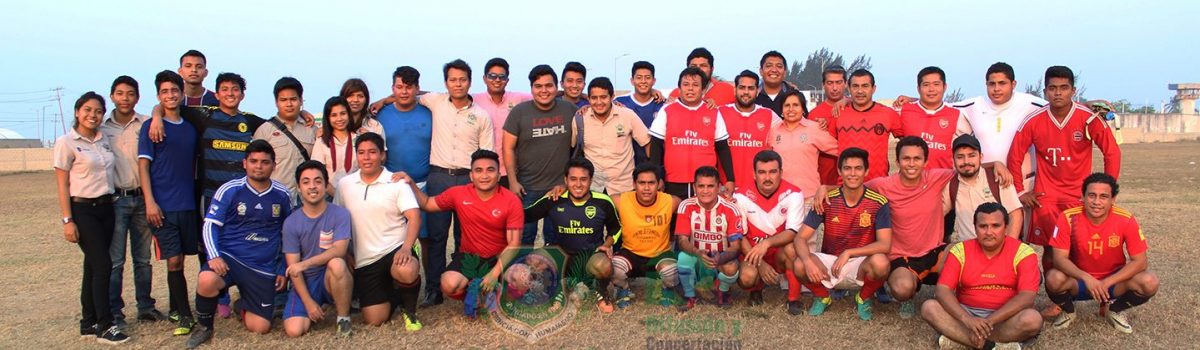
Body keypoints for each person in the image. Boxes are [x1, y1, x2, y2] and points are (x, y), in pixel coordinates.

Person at [186, 140, 292, 348]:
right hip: (230, 259)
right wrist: (214, 256)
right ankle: (205, 327)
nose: (258, 166)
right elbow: (210, 225)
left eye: (264, 162)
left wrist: (282, 268)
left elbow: (288, 234)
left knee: (261, 327)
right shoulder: (230, 190)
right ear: (245, 163)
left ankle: (241, 305)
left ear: (274, 165)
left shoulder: (283, 194)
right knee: (207, 279)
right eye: (253, 161)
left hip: (262, 266)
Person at [1007, 66, 1121, 251]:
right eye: (1052, 88)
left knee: (1081, 249)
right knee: (1051, 252)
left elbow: (1112, 152)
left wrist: (1107, 189)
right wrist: (1020, 191)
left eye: (1064, 87)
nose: (1058, 93)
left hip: (1079, 196)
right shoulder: (1034, 120)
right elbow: (1015, 155)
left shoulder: (1088, 118)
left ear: (1073, 91)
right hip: (1046, 198)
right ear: (1045, 91)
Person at [399, 150, 523, 320]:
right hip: (469, 257)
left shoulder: (511, 200)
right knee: (449, 284)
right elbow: (427, 204)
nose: (484, 175)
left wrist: (493, 274)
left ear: (498, 173)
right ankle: (477, 293)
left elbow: (514, 244)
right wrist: (411, 183)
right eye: (478, 170)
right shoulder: (458, 193)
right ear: (471, 175)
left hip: (499, 257)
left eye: (490, 170)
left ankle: (495, 291)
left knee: (522, 281)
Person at [55, 91, 131, 344]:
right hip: (83, 210)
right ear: (77, 111)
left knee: (92, 267)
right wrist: (68, 220)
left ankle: (87, 322)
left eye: (98, 111)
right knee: (103, 266)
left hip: (106, 209)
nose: (93, 115)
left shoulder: (103, 139)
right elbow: (62, 185)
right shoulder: (66, 142)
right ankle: (105, 325)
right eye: (87, 110)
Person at [417, 59, 495, 306]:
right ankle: (433, 289)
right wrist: (382, 101)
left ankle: (468, 286)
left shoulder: (481, 116)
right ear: (446, 83)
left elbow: (487, 154)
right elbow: (409, 94)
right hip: (439, 176)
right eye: (453, 79)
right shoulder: (435, 101)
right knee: (437, 236)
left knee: (466, 237)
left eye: (462, 79)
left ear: (469, 82)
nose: (458, 84)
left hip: (467, 180)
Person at [1045, 173, 1157, 333]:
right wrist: (1087, 278)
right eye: (1092, 195)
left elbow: (1140, 262)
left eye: (1104, 196)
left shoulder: (1126, 219)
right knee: (1053, 278)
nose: (1097, 202)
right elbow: (1059, 259)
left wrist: (1106, 282)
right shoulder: (1068, 217)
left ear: (1113, 199)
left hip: (1113, 281)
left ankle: (1115, 310)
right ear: (1082, 197)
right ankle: (1069, 312)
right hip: (1080, 280)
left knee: (1150, 281)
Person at [921, 202, 1043, 349]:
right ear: (975, 228)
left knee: (1032, 319)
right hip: (967, 312)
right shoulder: (960, 250)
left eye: (995, 226)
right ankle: (993, 346)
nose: (989, 232)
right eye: (983, 226)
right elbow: (942, 290)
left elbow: (1027, 296)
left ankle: (961, 338)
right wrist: (968, 320)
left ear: (1006, 227)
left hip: (1005, 315)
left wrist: (990, 321)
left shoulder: (1023, 252)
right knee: (929, 308)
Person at [335, 133, 424, 330]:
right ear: (356, 156)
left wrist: (406, 248)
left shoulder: (396, 182)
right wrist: (346, 251)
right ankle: (396, 295)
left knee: (406, 269)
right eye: (361, 153)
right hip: (365, 259)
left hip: (395, 249)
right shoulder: (344, 184)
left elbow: (415, 217)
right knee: (374, 319)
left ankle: (410, 312)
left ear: (382, 155)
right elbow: (338, 220)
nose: (367, 158)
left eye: (372, 152)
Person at [862, 137, 957, 319]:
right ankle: (908, 297)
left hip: (934, 251)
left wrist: (997, 164)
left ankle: (949, 297)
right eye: (906, 159)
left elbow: (966, 168)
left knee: (962, 254)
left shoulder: (936, 177)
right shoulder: (883, 185)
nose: (911, 164)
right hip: (902, 256)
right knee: (902, 289)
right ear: (897, 161)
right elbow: (853, 188)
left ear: (925, 161)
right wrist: (825, 189)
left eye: (917, 158)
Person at [794, 148, 892, 321]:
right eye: (847, 168)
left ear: (866, 171)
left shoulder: (878, 202)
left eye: (858, 168)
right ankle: (823, 296)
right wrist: (808, 262)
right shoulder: (826, 199)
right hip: (830, 263)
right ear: (839, 171)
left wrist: (849, 253)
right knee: (799, 264)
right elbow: (800, 238)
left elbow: (885, 244)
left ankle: (863, 297)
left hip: (860, 263)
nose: (852, 173)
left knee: (881, 262)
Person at [136, 71, 199, 336]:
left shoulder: (191, 124)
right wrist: (149, 201)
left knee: (184, 259)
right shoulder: (150, 126)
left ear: (182, 92)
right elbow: (143, 165)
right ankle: (185, 317)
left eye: (174, 90)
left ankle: (176, 306)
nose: (170, 95)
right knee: (173, 261)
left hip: (189, 204)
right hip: (162, 206)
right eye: (164, 92)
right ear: (158, 95)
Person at [100, 75, 163, 328]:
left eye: (130, 94)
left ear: (137, 97)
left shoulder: (147, 125)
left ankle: (145, 307)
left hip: (143, 199)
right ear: (112, 96)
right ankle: (115, 311)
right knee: (115, 261)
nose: (125, 98)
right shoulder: (102, 129)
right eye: (119, 93)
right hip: (116, 200)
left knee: (143, 259)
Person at [523, 158, 621, 312]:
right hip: (562, 257)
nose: (578, 184)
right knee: (534, 260)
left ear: (591, 180)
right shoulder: (554, 199)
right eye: (573, 179)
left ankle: (601, 290)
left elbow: (616, 228)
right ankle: (559, 288)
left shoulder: (603, 202)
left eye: (584, 179)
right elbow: (526, 215)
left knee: (603, 265)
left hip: (590, 258)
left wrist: (607, 245)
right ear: (565, 180)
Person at [504, 64, 577, 245]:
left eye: (548, 85)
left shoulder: (570, 110)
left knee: (555, 240)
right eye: (538, 86)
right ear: (531, 89)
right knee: (524, 239)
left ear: (556, 87)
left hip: (558, 189)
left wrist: (567, 182)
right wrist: (513, 181)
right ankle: (523, 273)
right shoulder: (519, 112)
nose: (544, 90)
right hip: (527, 188)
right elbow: (508, 148)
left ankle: (553, 274)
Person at [281, 161, 353, 337]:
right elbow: (294, 269)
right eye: (306, 182)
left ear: (326, 185)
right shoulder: (291, 222)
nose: (312, 187)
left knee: (337, 263)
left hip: (330, 276)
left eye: (318, 181)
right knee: (294, 331)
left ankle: (343, 320)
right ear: (298, 187)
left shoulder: (340, 214)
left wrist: (306, 264)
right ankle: (314, 304)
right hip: (306, 281)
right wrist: (308, 303)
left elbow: (340, 250)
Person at [649, 67, 736, 199]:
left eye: (695, 85)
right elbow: (656, 146)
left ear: (703, 89)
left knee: (705, 219)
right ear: (679, 88)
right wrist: (657, 177)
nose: (690, 89)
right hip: (673, 181)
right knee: (676, 218)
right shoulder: (667, 110)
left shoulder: (713, 111)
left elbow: (723, 147)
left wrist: (730, 178)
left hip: (706, 183)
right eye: (686, 84)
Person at [732, 151, 804, 309]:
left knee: (792, 248)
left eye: (773, 172)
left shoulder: (794, 194)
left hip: (779, 252)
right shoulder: (740, 196)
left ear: (781, 173)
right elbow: (739, 236)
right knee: (746, 278)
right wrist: (760, 264)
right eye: (762, 172)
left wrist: (766, 243)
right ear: (754, 173)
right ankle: (755, 290)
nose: (767, 177)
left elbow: (793, 232)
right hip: (752, 252)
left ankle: (793, 299)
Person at [610, 163, 682, 310]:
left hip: (660, 254)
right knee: (611, 268)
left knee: (672, 272)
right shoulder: (621, 200)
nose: (647, 188)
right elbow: (594, 200)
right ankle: (624, 289)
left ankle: (666, 289)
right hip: (630, 253)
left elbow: (692, 206)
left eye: (651, 183)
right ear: (634, 184)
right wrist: (562, 190)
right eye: (642, 183)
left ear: (659, 184)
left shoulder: (670, 201)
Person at [674, 166, 744, 311]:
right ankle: (690, 295)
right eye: (701, 186)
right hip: (697, 255)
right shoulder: (685, 206)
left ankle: (722, 292)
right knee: (683, 258)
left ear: (719, 187)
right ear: (694, 187)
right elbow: (682, 240)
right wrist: (697, 252)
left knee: (731, 266)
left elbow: (736, 246)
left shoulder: (731, 209)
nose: (705, 191)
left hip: (720, 257)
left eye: (710, 186)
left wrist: (722, 258)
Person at [944, 134, 1024, 243]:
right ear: (953, 159)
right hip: (969, 252)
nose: (966, 161)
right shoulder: (951, 184)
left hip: (998, 248)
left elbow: (1015, 214)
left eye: (972, 155)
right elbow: (938, 213)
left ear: (981, 157)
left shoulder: (997, 178)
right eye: (960, 157)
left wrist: (1008, 250)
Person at [577, 77, 650, 194]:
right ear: (588, 99)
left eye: (603, 97)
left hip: (624, 188)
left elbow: (647, 143)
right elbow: (571, 149)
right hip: (593, 188)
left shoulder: (627, 115)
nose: (599, 102)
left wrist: (653, 175)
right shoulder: (580, 119)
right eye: (594, 98)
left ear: (612, 97)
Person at [768, 90, 838, 208]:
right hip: (780, 198)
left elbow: (841, 151)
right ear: (781, 110)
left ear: (803, 109)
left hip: (809, 197)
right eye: (787, 105)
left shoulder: (815, 128)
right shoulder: (774, 131)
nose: (791, 109)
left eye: (795, 105)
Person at [895, 66, 973, 170]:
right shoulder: (903, 111)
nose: (931, 89)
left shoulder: (956, 114)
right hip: (911, 180)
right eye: (926, 85)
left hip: (944, 181)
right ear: (918, 88)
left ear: (944, 87)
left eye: (936, 84)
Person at [831, 69, 902, 182]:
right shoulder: (838, 113)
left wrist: (902, 171)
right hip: (846, 186)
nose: (860, 91)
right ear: (849, 89)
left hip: (878, 186)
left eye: (865, 86)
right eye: (855, 86)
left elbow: (908, 142)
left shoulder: (888, 114)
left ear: (873, 89)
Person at [254, 77, 317, 197]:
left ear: (301, 100)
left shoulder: (313, 129)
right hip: (274, 199)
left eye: (293, 99)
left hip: (306, 201)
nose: (289, 104)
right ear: (276, 102)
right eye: (283, 100)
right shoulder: (264, 131)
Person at [473, 57, 532, 183]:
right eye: (492, 76)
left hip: (511, 171)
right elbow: (449, 97)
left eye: (502, 77)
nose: (497, 80)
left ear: (507, 80)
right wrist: (418, 94)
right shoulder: (474, 100)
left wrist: (582, 96)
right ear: (484, 78)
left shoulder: (518, 98)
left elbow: (542, 95)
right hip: (484, 172)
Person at [719, 70, 775, 191]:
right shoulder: (720, 113)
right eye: (742, 87)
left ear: (757, 91)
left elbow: (790, 127)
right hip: (726, 189)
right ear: (735, 90)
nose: (745, 92)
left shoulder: (769, 115)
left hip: (757, 190)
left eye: (750, 88)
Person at [614, 61, 665, 165]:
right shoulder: (619, 102)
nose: (643, 81)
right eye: (639, 77)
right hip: (626, 165)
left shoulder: (662, 105)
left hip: (654, 162)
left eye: (647, 77)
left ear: (654, 81)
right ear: (632, 81)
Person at [808, 65, 848, 186]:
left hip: (852, 177)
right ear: (823, 85)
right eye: (830, 83)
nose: (834, 88)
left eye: (839, 82)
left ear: (846, 84)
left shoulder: (854, 108)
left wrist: (849, 100)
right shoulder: (814, 115)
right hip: (824, 181)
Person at [310, 97, 357, 187]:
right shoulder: (322, 141)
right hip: (329, 194)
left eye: (343, 114)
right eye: (334, 115)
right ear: (328, 118)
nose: (339, 119)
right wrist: (336, 195)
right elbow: (317, 173)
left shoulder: (358, 139)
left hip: (355, 193)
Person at [668, 47, 735, 105]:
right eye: (693, 66)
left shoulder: (728, 90)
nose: (698, 69)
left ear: (712, 69)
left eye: (703, 66)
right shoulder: (676, 94)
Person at [754, 51, 796, 116]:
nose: (774, 70)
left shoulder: (795, 96)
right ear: (761, 71)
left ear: (785, 72)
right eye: (769, 66)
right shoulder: (752, 96)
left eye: (779, 66)